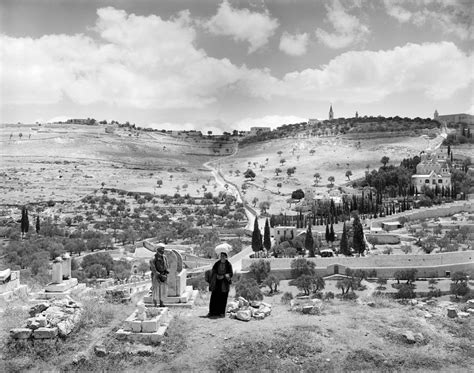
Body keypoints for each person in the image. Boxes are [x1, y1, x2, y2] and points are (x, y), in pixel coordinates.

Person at [208, 252, 233, 318]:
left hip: (224, 284)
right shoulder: (217, 263)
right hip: (216, 283)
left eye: (223, 256)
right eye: (221, 256)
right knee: (214, 297)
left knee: (223, 298)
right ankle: (212, 312)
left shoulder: (228, 264)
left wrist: (224, 276)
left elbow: (231, 273)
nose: (222, 257)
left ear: (226, 257)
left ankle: (221, 313)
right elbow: (213, 271)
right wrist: (216, 276)